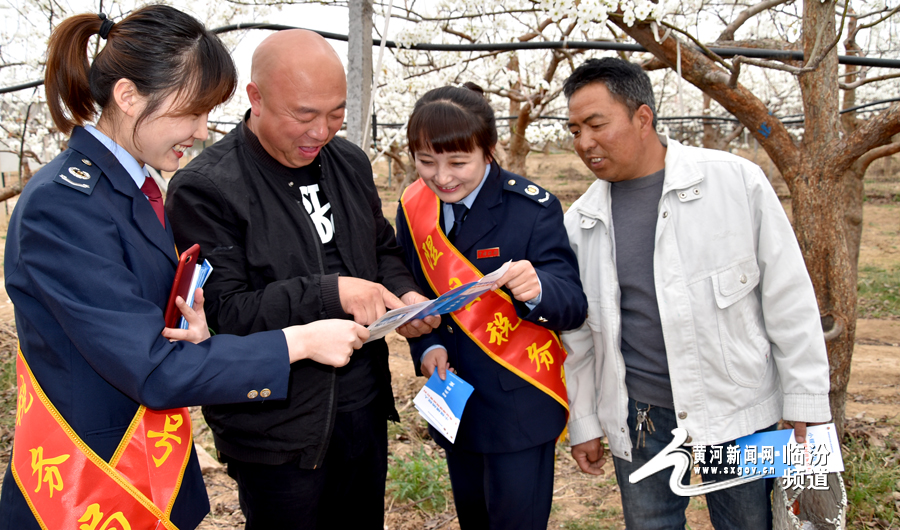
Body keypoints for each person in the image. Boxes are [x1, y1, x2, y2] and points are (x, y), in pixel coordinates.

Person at [0, 6, 370, 530]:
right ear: (128, 97)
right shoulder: (63, 206)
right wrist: (301, 341)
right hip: (88, 485)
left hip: (149, 469)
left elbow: (137, 329)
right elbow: (150, 368)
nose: (200, 132)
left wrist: (189, 331)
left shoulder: (130, 189)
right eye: (191, 113)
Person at [164, 28, 437, 530]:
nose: (322, 131)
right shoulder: (207, 188)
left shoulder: (348, 162)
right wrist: (330, 291)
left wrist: (406, 295)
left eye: (336, 113)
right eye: (305, 115)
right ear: (257, 99)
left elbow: (379, 247)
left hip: (361, 405)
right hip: (275, 422)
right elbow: (226, 311)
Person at [560, 57, 832, 529]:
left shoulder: (732, 183)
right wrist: (584, 421)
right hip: (640, 417)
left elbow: (787, 296)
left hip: (736, 414)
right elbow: (581, 338)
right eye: (575, 130)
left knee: (747, 524)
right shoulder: (581, 221)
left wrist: (805, 399)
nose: (585, 142)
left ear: (642, 117)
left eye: (596, 124)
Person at [394, 84, 587, 530]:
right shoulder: (413, 208)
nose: (442, 177)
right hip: (456, 402)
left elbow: (572, 304)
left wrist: (537, 287)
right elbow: (416, 286)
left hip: (518, 405)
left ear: (488, 150)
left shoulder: (531, 209)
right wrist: (427, 349)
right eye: (426, 162)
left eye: (458, 162)